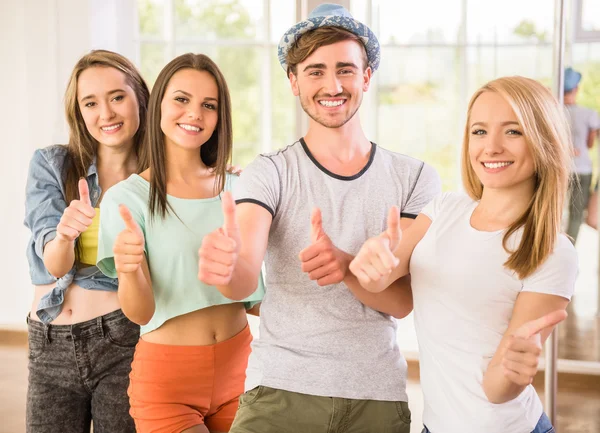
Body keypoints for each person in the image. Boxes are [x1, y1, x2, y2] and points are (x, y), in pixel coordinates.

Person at [197, 4, 440, 432]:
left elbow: (402, 302)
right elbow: (243, 275)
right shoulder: (269, 172)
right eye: (315, 71)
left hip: (375, 396)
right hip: (279, 391)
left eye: (346, 69)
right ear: (293, 81)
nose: (333, 84)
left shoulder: (415, 177)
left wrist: (347, 267)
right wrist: (225, 269)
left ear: (366, 76)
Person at [349, 76, 578, 433]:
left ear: (543, 140)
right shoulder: (444, 208)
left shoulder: (551, 250)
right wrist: (368, 260)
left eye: (513, 131)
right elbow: (382, 277)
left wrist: (514, 370)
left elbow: (496, 390)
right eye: (479, 131)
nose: (492, 147)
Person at [96, 53, 264, 433]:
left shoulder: (241, 189)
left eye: (209, 105)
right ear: (158, 106)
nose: (195, 114)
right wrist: (130, 268)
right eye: (182, 99)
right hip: (167, 380)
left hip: (244, 369)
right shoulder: (127, 199)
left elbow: (258, 303)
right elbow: (140, 314)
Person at [24, 50, 149, 433]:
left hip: (123, 340)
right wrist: (65, 234)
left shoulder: (157, 179)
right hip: (48, 343)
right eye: (90, 103)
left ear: (139, 98)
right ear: (79, 112)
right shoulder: (51, 164)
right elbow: (55, 265)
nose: (105, 114)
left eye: (117, 97)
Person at [564, 67, 600, 243]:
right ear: (576, 89)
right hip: (582, 170)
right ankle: (569, 249)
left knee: (555, 211)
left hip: (559, 169)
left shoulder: (552, 112)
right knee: (576, 215)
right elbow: (590, 144)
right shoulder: (589, 114)